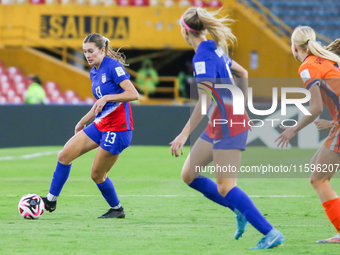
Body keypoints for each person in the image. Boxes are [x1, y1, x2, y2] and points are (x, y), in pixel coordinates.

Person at [170, 7, 284, 249]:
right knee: (189, 174)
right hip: (223, 120)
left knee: (225, 186)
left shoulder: (203, 56)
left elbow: (204, 102)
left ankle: (271, 233)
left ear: (184, 31)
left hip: (227, 122)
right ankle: (239, 208)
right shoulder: (214, 47)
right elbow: (242, 72)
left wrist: (182, 135)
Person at [41, 33, 139, 219]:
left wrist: (108, 97)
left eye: (91, 51)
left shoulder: (113, 66)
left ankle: (117, 209)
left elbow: (133, 94)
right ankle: (50, 200)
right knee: (64, 155)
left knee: (96, 175)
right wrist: (83, 120)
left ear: (102, 50)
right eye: (85, 51)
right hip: (101, 124)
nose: (87, 55)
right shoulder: (94, 71)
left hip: (118, 129)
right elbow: (101, 106)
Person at [275, 26, 340, 243]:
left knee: (318, 179)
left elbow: (315, 108)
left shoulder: (308, 66)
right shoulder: (329, 60)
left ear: (294, 47)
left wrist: (293, 129)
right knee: (316, 169)